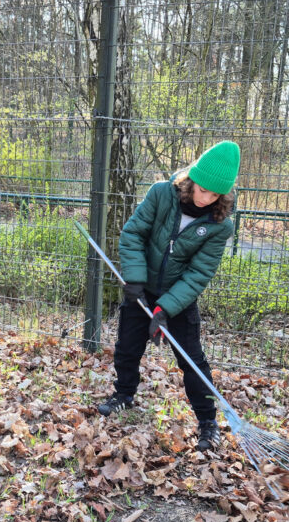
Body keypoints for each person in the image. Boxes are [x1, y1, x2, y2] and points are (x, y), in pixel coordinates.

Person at [97, 140, 240, 452]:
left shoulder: (219, 225)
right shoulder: (161, 194)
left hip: (179, 299)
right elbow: (134, 233)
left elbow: (199, 274)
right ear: (192, 180)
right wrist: (134, 280)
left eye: (216, 195)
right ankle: (123, 394)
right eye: (204, 190)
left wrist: (167, 308)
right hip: (142, 287)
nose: (207, 199)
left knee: (192, 361)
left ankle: (207, 421)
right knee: (127, 346)